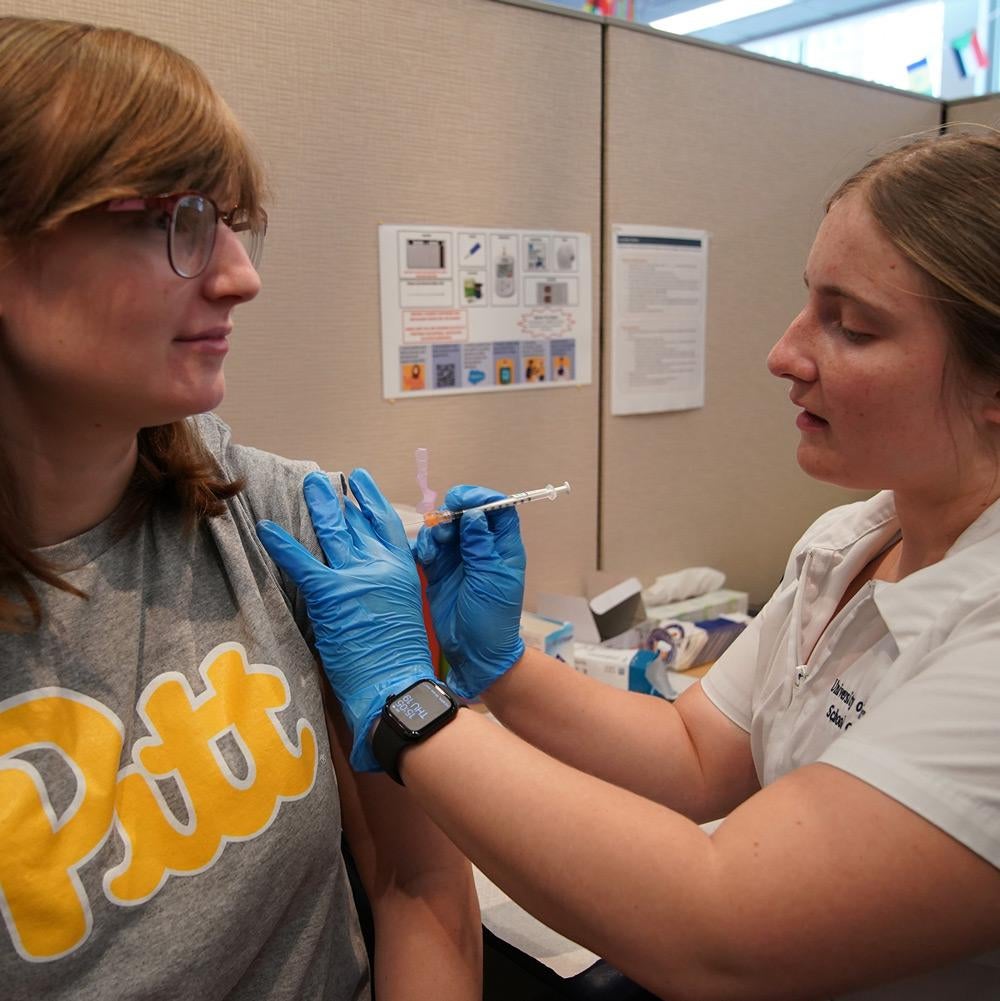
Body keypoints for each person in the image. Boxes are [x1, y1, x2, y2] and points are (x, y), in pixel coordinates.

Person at [258, 129, 1000, 1000]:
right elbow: (696, 754)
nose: (784, 354)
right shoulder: (853, 541)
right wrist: (500, 662)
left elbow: (721, 927)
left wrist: (403, 700)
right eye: (808, 304)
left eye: (853, 326)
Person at [0, 16, 480, 1001]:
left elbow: (418, 875)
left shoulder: (274, 517)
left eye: (228, 220)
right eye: (169, 219)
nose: (240, 275)